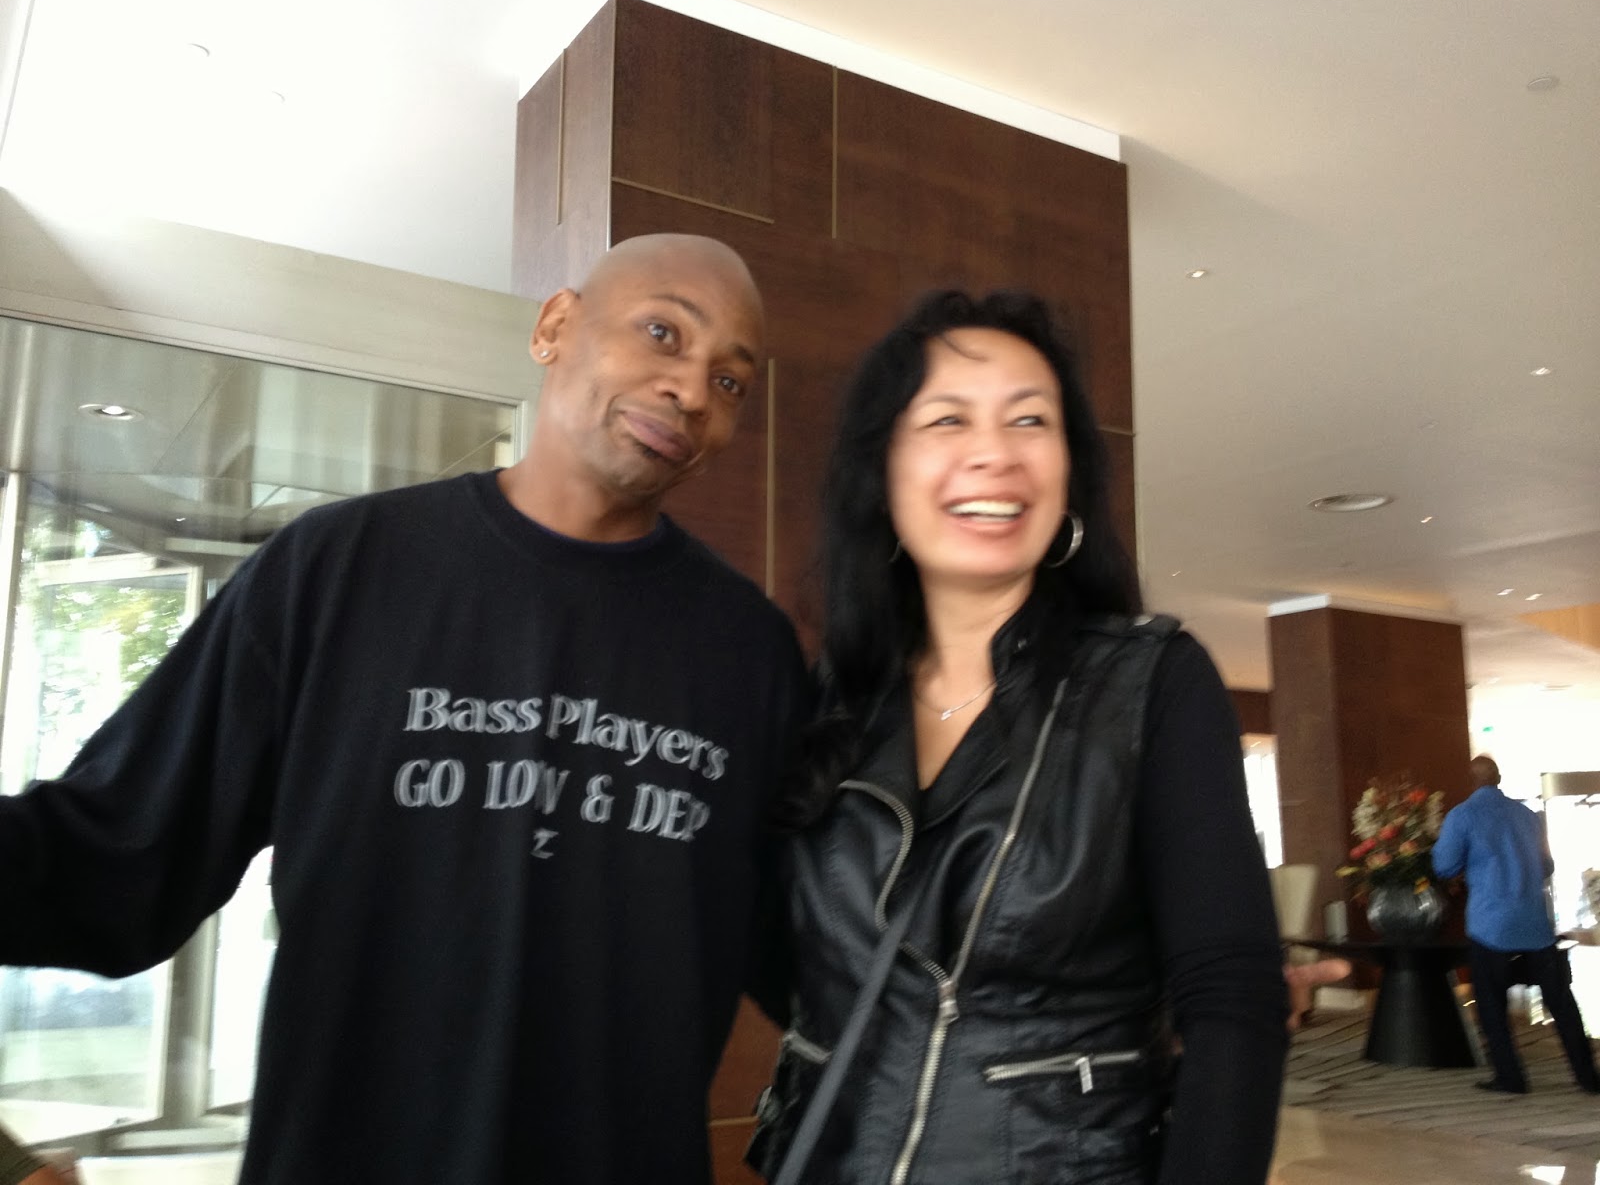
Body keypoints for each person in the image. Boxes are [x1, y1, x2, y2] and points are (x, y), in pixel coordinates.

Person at [0, 234, 809, 1183]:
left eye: (730, 381)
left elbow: (818, 955)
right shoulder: (335, 571)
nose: (691, 390)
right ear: (555, 326)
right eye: (663, 332)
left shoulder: (749, 653)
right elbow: (113, 858)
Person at [748, 290, 1288, 1185]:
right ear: (882, 469)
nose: (995, 452)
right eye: (948, 419)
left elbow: (1233, 998)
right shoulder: (825, 703)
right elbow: (791, 969)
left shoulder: (1152, 685)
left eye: (1030, 420)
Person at [1431, 754, 1600, 1095]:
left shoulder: (1463, 815)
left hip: (1490, 925)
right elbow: (1547, 866)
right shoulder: (1527, 815)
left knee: (1492, 1006)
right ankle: (1588, 1076)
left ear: (1471, 781)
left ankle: (1511, 1077)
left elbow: (1444, 866)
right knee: (1562, 1003)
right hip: (1535, 924)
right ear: (1499, 778)